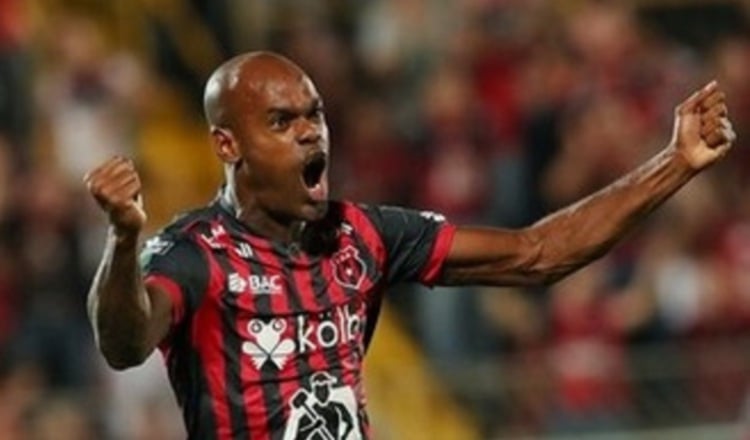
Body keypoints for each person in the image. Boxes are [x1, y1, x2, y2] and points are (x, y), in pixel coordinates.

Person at [83, 51, 734, 439]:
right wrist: (121, 237)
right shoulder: (193, 252)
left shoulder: (362, 235)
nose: (312, 134)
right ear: (228, 145)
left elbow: (537, 254)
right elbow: (122, 344)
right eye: (283, 122)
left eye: (315, 114)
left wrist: (675, 161)